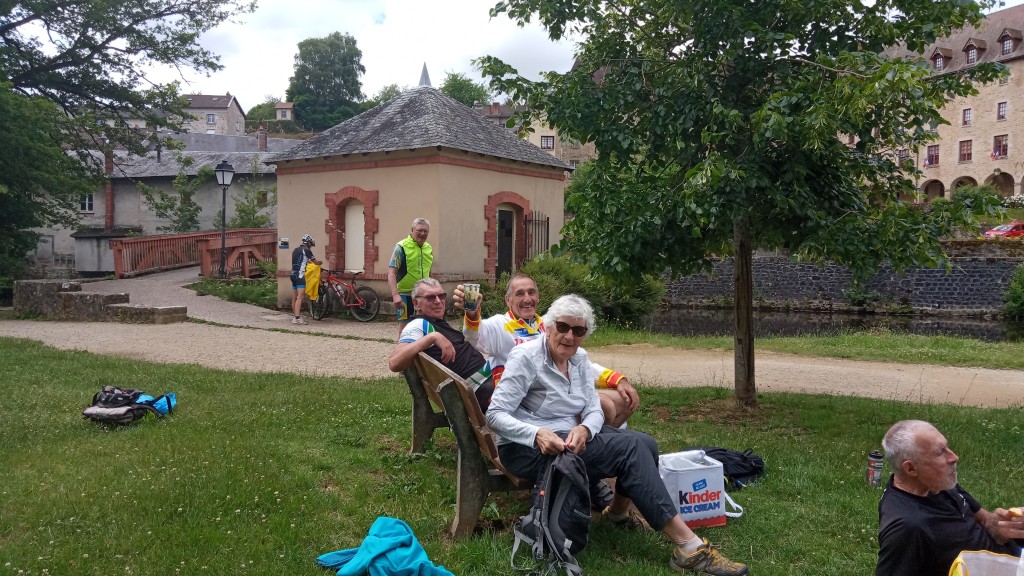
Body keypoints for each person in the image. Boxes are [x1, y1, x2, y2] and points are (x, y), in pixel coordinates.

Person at [486, 294, 748, 575]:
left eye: (578, 330)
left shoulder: (579, 359)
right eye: (562, 327)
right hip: (527, 448)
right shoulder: (527, 357)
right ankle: (689, 547)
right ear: (549, 326)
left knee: (646, 442)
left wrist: (585, 428)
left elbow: (593, 409)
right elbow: (495, 415)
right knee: (631, 448)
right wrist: (537, 433)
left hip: (568, 442)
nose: (569, 336)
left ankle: (618, 513)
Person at [453, 274, 639, 427]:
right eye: (519, 294)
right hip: (530, 403)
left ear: (538, 297)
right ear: (508, 300)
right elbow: (475, 336)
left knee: (624, 400)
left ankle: (599, 443)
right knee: (605, 406)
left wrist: (617, 379)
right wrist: (472, 313)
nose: (527, 298)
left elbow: (577, 362)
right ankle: (596, 445)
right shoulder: (500, 325)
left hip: (559, 392)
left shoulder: (550, 325)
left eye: (531, 292)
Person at [876, 420, 1023, 576]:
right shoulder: (906, 527)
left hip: (1011, 557)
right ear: (911, 468)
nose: (954, 457)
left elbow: (984, 519)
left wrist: (1002, 525)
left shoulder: (938, 484)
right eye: (939, 453)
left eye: (947, 447)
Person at [387, 278, 494, 409]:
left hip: (487, 383)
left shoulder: (435, 322)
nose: (438, 301)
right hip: (484, 389)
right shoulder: (419, 324)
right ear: (416, 303)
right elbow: (394, 362)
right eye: (430, 297)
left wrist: (472, 314)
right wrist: (433, 337)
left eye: (441, 296)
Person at [388, 218, 433, 333]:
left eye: (425, 231)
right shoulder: (401, 247)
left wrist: (432, 290)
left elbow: (429, 272)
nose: (422, 233)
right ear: (412, 230)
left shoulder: (428, 248)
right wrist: (395, 295)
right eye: (419, 230)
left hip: (423, 294)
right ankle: (402, 345)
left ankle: (418, 345)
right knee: (405, 328)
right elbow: (392, 273)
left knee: (423, 325)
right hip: (405, 294)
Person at [290, 234, 319, 325]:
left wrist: (308, 262)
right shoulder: (306, 250)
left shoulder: (296, 250)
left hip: (293, 274)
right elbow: (316, 262)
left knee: (294, 297)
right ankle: (297, 318)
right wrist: (320, 263)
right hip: (300, 275)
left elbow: (302, 260)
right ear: (309, 243)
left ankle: (295, 316)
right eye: (311, 244)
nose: (311, 246)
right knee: (300, 297)